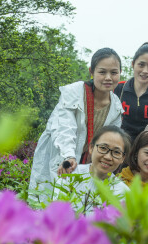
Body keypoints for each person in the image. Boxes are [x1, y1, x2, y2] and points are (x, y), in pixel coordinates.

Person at [29, 48, 124, 198]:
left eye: (113, 72)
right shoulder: (73, 93)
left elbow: (109, 140)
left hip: (88, 160)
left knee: (82, 204)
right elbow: (64, 127)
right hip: (61, 151)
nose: (108, 77)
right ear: (91, 72)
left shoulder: (116, 107)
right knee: (49, 198)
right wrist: (69, 156)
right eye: (102, 72)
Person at [55, 125, 131, 213]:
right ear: (91, 148)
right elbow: (56, 212)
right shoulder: (70, 174)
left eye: (116, 152)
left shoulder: (123, 192)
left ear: (122, 158)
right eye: (103, 148)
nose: (108, 157)